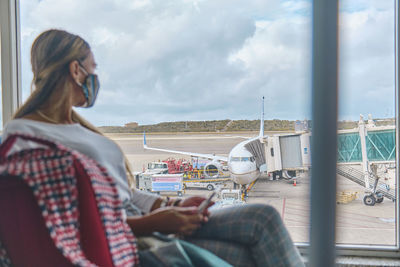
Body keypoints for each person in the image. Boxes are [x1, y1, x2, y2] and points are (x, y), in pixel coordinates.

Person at [2, 29, 304, 267]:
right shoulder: (27, 142)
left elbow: (122, 193)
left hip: (144, 223)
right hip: (127, 239)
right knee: (260, 227)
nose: (96, 78)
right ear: (76, 70)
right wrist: (153, 222)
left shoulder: (71, 128)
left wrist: (167, 205)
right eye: (93, 69)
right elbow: (67, 224)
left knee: (259, 227)